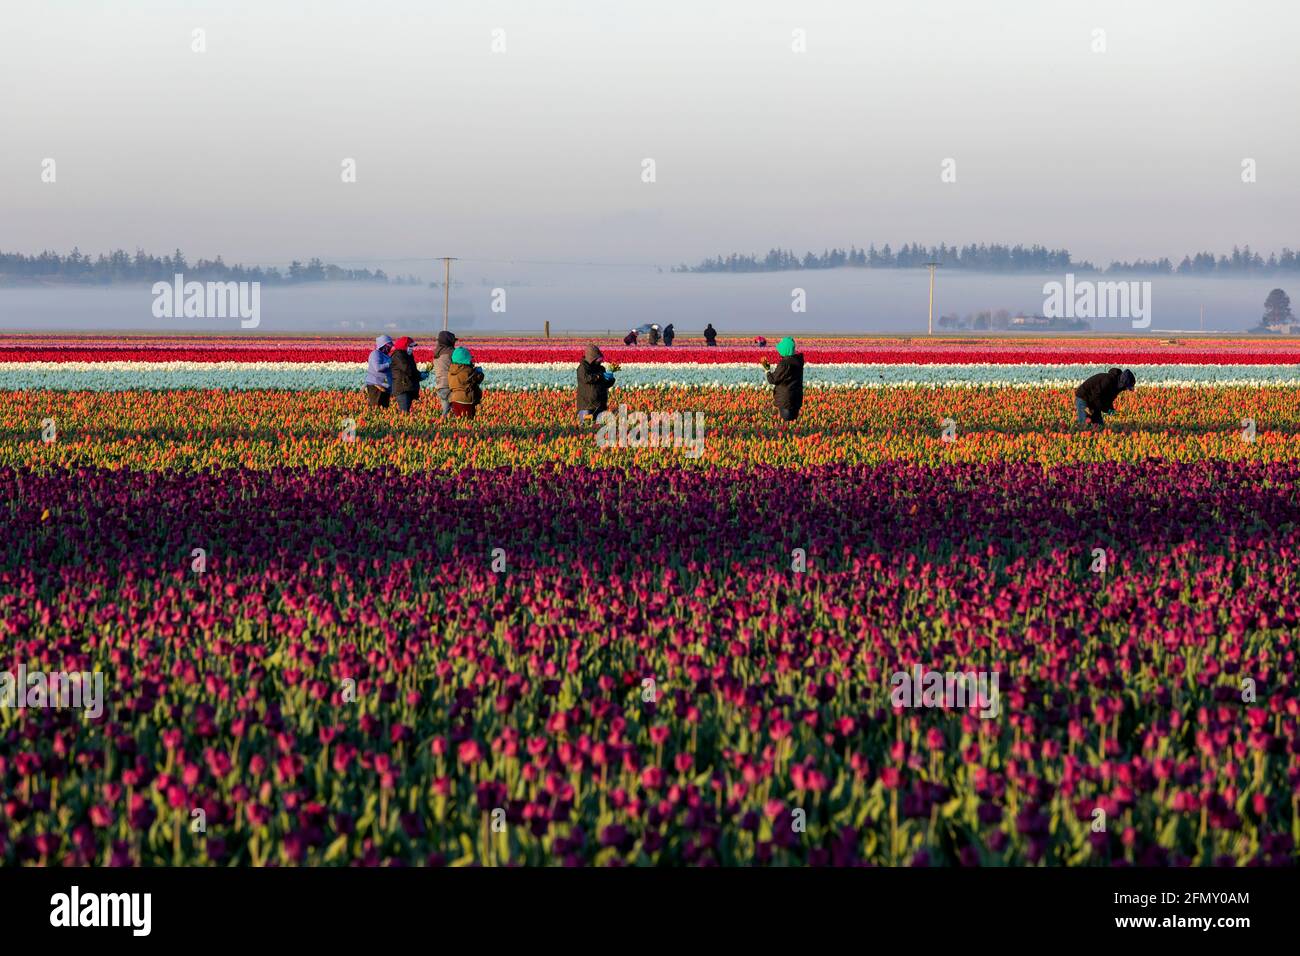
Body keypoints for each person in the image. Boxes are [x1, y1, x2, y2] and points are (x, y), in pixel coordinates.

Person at [762, 336, 804, 422]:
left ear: (785, 350)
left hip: (786, 400)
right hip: (796, 399)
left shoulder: (785, 364)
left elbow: (773, 380)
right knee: (793, 423)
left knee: (786, 424)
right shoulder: (798, 361)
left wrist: (767, 370)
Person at [577, 344, 619, 422]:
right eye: (598, 359)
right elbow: (586, 378)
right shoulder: (583, 368)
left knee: (598, 426)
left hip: (600, 405)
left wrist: (610, 379)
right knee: (586, 427)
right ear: (592, 358)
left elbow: (606, 384)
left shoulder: (600, 368)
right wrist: (600, 376)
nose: (600, 360)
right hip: (586, 405)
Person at [389, 336, 426, 414]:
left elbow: (412, 370)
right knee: (404, 412)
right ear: (404, 346)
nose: (412, 348)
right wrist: (419, 376)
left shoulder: (408, 355)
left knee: (406, 411)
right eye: (410, 346)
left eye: (413, 346)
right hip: (402, 388)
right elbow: (407, 369)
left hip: (407, 387)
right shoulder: (399, 355)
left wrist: (420, 374)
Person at [447, 346, 485, 419]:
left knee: (459, 420)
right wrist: (479, 373)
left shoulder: (450, 371)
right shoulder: (467, 371)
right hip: (466, 400)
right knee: (468, 420)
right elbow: (477, 380)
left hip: (454, 399)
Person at [432, 330, 458, 415]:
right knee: (454, 409)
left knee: (446, 408)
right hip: (450, 384)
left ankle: (442, 424)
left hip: (440, 385)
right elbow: (458, 366)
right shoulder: (451, 352)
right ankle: (447, 425)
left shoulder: (437, 353)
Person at [364, 334, 394, 407]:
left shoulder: (385, 355)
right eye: (389, 346)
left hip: (385, 387)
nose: (390, 348)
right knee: (376, 406)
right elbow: (377, 368)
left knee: (384, 408)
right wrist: (390, 364)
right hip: (376, 387)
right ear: (383, 345)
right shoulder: (376, 354)